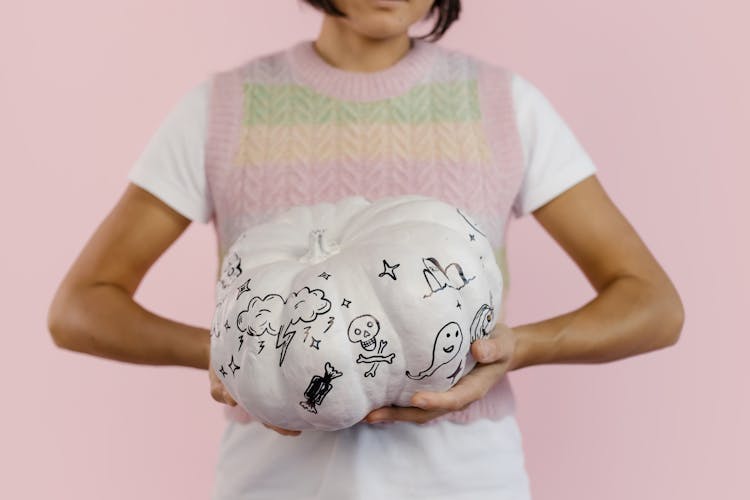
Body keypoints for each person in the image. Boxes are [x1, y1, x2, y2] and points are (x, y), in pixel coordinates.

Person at [47, 0, 685, 498]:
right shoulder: (224, 108)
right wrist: (236, 360)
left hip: (465, 486)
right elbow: (81, 307)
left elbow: (653, 304)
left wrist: (516, 348)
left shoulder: (502, 105)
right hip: (273, 487)